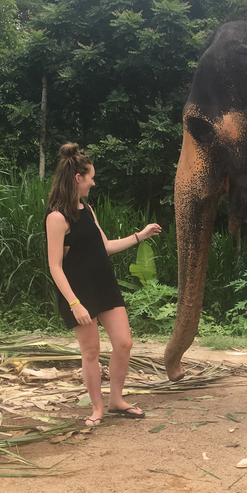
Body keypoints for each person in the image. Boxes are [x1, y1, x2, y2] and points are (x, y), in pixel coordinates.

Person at [45, 143, 161, 426]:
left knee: (124, 342)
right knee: (91, 352)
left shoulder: (88, 209)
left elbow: (105, 246)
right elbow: (54, 266)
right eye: (91, 177)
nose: (93, 182)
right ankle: (96, 408)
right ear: (77, 178)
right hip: (78, 293)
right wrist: (75, 303)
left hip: (104, 285)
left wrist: (139, 236)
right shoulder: (56, 217)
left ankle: (116, 400)